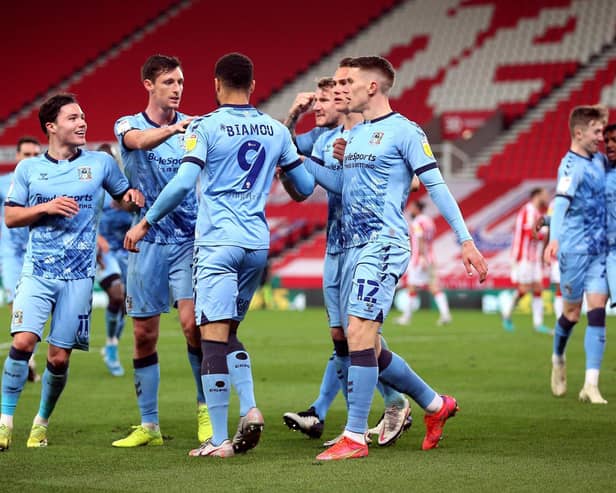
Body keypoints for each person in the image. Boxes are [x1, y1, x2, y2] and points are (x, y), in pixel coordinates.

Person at [124, 52, 315, 458]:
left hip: (216, 244)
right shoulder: (275, 131)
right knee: (227, 333)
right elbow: (302, 187)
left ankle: (217, 440)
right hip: (256, 245)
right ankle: (249, 408)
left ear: (215, 84)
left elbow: (181, 184)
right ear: (253, 85)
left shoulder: (206, 127)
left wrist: (145, 221)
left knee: (212, 337)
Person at [302, 56, 487, 460]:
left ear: (372, 87)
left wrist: (465, 240)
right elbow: (341, 187)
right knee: (367, 343)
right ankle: (436, 405)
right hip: (350, 245)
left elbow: (435, 185)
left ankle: (354, 437)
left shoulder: (404, 131)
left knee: (359, 333)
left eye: (348, 82)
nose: (340, 90)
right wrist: (305, 162)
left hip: (383, 243)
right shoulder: (354, 136)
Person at [0, 93, 144, 451]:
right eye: (73, 118)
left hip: (78, 278)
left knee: (58, 357)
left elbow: (123, 196)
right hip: (37, 272)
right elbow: (11, 217)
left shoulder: (99, 164)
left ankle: (41, 423)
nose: (82, 123)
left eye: (83, 116)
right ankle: (4, 422)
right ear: (52, 126)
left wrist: (133, 199)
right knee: (23, 342)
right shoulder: (29, 169)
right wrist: (46, 207)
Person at [282, 62, 411, 447]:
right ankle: (405, 402)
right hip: (336, 244)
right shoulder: (323, 139)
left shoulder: (374, 135)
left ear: (345, 98)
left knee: (359, 335)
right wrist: (293, 116)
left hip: (368, 242)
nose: (321, 104)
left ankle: (334, 413)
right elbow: (284, 149)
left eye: (328, 96)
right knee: (346, 336)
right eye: (321, 96)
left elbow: (410, 176)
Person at [111, 54, 211, 447]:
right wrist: (175, 130)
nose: (178, 88)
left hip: (188, 241)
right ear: (149, 84)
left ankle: (206, 411)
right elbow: (136, 142)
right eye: (169, 81)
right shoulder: (128, 124)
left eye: (181, 82)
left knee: (193, 325)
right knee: (143, 335)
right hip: (146, 244)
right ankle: (149, 426)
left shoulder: (194, 127)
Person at [544, 105, 609, 404]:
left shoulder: (599, 161)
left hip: (599, 251)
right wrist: (552, 237)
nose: (602, 137)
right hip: (574, 250)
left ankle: (590, 384)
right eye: (597, 131)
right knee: (571, 313)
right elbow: (561, 205)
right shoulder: (570, 167)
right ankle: (558, 356)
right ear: (579, 133)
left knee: (597, 310)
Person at [0, 137, 42, 383]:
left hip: (38, 252)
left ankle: (27, 356)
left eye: (35, 154)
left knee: (34, 309)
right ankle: (28, 359)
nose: (30, 159)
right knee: (16, 304)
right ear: (17, 157)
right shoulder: (4, 184)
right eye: (26, 154)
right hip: (11, 253)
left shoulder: (46, 182)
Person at [95, 143, 133, 377]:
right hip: (104, 251)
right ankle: (111, 345)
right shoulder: (91, 189)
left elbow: (140, 210)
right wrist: (97, 238)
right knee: (116, 294)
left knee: (127, 306)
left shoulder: (124, 187)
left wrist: (127, 203)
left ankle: (113, 343)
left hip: (128, 251)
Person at [501, 187, 551, 334]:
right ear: (537, 195)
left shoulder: (537, 213)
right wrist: (547, 234)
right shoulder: (528, 211)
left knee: (538, 288)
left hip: (534, 258)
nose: (547, 197)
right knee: (523, 290)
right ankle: (506, 314)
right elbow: (531, 233)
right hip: (523, 257)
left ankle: (538, 324)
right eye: (545, 194)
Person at [395, 199, 452, 327]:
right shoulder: (429, 221)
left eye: (412, 207)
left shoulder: (417, 222)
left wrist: (420, 256)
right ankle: (445, 314)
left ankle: (406, 317)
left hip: (419, 259)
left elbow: (420, 237)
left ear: (417, 208)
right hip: (430, 257)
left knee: (411, 287)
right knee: (433, 287)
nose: (410, 209)